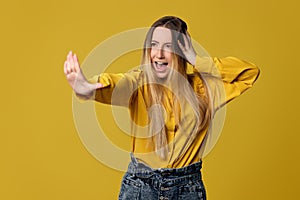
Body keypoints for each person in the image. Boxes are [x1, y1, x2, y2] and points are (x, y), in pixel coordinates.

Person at [64, 16, 260, 200]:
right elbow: (116, 84)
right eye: (154, 45)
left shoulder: (203, 89)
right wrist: (87, 88)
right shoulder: (139, 83)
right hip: (141, 188)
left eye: (168, 46)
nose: (158, 54)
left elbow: (249, 73)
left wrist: (197, 59)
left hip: (187, 189)